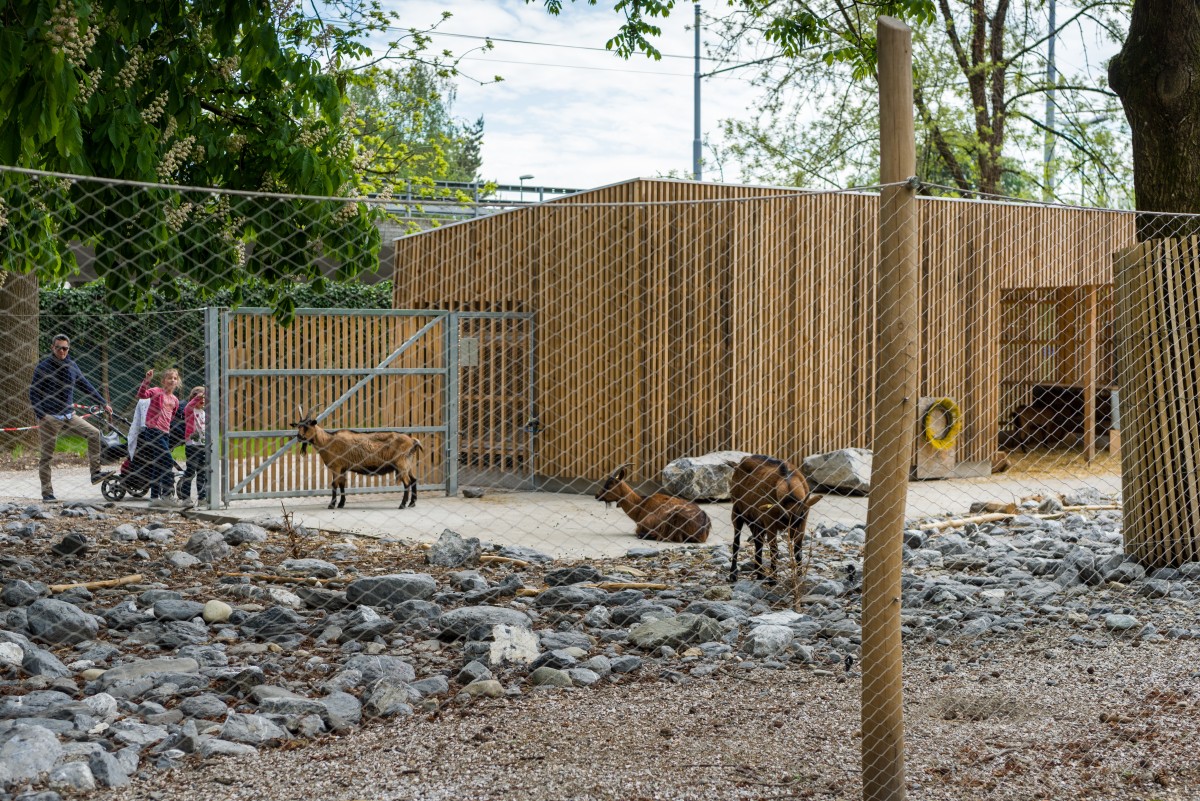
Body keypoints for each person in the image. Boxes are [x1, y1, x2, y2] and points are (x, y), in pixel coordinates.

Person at [28, 334, 114, 502]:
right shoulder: (43, 368)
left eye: (65, 348)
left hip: (69, 415)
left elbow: (85, 385)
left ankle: (95, 473)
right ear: (53, 348)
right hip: (50, 418)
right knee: (47, 456)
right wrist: (42, 416)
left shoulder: (72, 365)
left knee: (94, 433)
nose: (62, 351)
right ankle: (47, 493)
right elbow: (33, 393)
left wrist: (103, 403)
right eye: (59, 347)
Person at [137, 368, 183, 509]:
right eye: (169, 378)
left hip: (165, 433)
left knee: (158, 464)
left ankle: (154, 498)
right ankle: (167, 495)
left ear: (177, 382)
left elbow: (172, 415)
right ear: (163, 381)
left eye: (175, 378)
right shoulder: (156, 391)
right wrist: (147, 381)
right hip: (153, 431)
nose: (172, 380)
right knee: (168, 460)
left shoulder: (175, 400)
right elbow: (141, 394)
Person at [178, 386, 207, 507]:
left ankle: (202, 498)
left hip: (203, 445)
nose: (203, 401)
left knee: (202, 472)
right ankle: (185, 498)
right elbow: (190, 405)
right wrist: (199, 395)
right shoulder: (189, 410)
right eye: (200, 399)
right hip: (192, 445)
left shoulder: (204, 412)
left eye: (204, 399)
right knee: (190, 471)